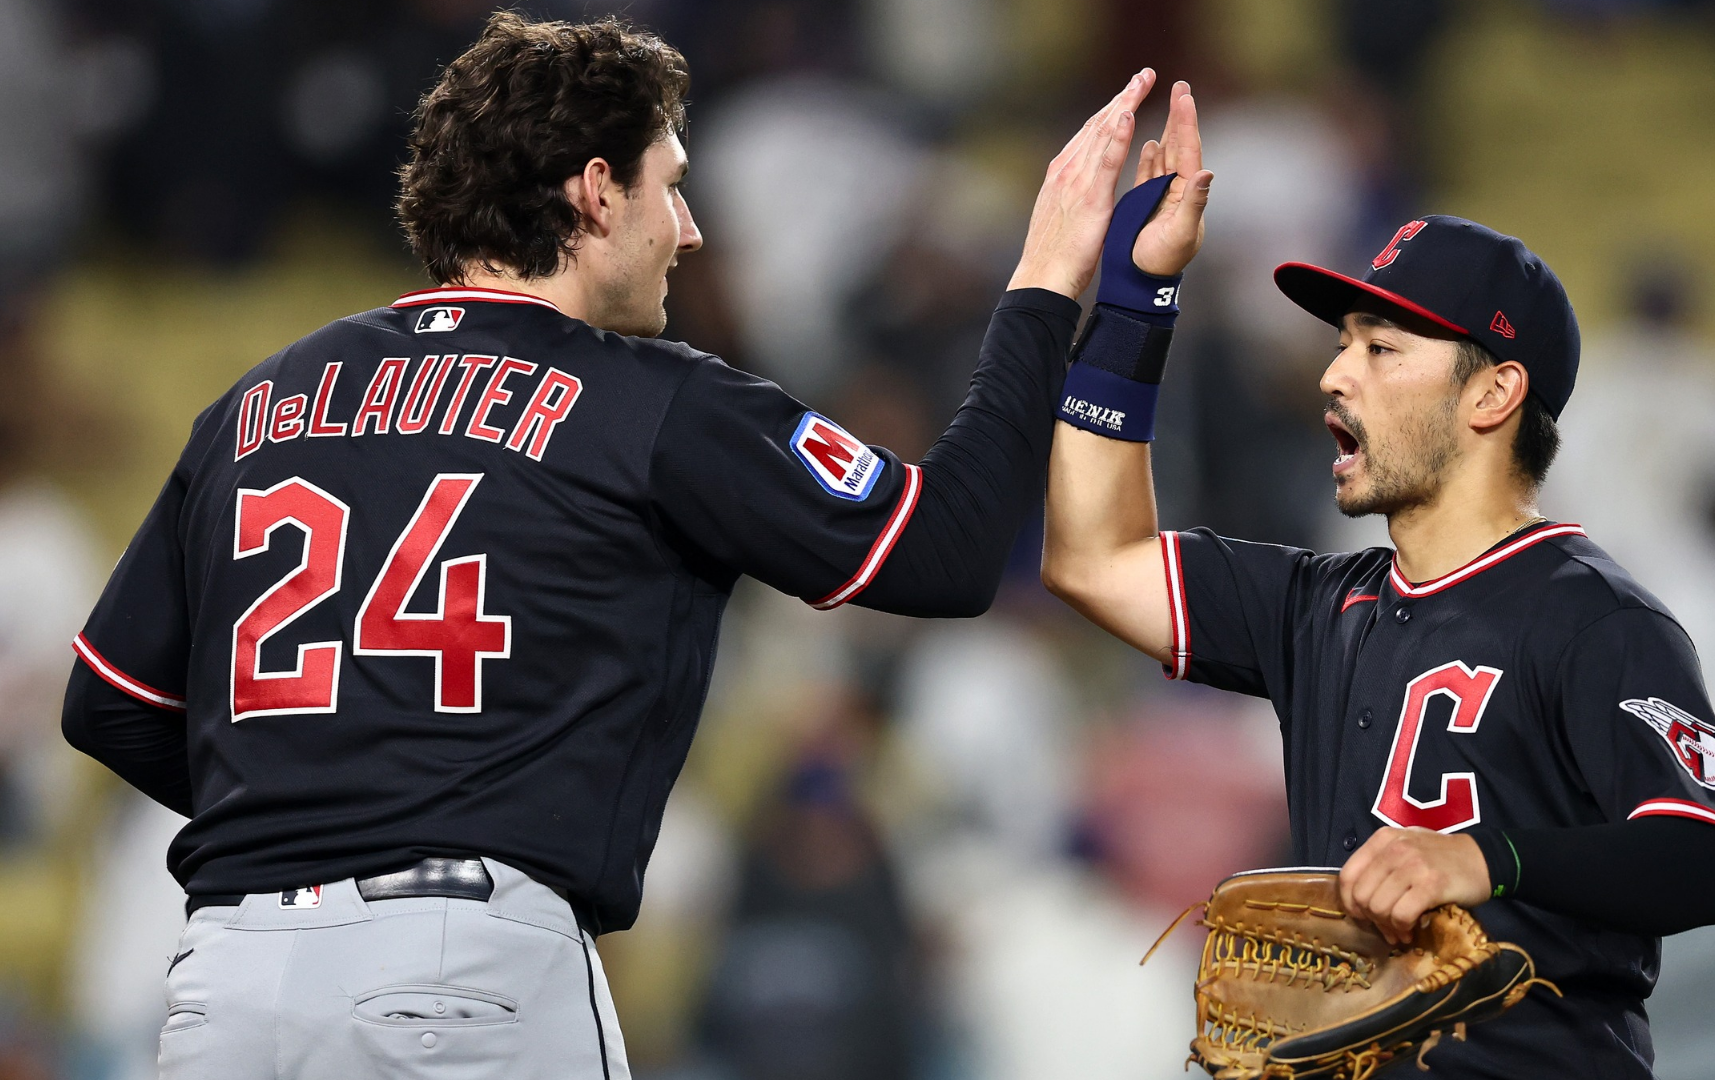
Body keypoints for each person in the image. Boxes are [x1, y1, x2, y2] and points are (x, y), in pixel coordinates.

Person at [59, 13, 1178, 1078]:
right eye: (672, 185)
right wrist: (1042, 289)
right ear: (596, 193)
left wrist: (316, 819)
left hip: (227, 981)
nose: (688, 229)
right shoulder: (647, 401)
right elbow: (944, 555)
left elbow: (106, 701)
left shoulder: (262, 400)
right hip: (459, 973)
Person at [1040, 97, 1715, 1076]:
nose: (1336, 374)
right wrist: (1136, 297)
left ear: (1492, 393)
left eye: (1382, 349)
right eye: (1343, 344)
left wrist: (1484, 859)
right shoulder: (1313, 607)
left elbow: (1707, 860)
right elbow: (1094, 558)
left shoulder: (1597, 618)